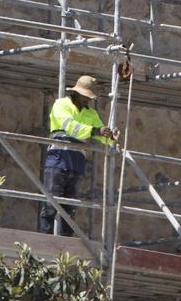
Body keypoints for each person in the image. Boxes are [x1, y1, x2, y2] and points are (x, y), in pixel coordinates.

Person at [37, 67, 130, 236]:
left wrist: (110, 136)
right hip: (59, 156)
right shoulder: (61, 105)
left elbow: (99, 132)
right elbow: (70, 127)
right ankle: (46, 239)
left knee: (69, 207)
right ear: (76, 93)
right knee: (51, 203)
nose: (87, 100)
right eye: (85, 97)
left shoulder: (91, 113)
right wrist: (96, 131)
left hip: (76, 162)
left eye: (89, 97)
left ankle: (65, 242)